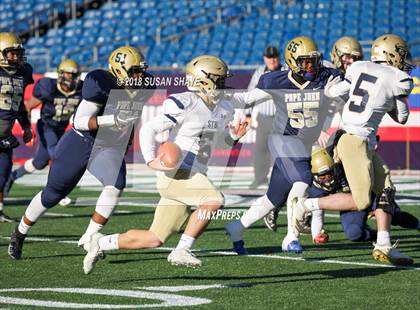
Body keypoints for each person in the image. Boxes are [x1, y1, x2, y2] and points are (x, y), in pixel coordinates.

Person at [82, 55, 249, 274]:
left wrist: (233, 137)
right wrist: (151, 159)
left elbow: (214, 143)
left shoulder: (223, 106)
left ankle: (100, 243)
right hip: (177, 172)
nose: (222, 84)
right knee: (214, 200)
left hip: (193, 174)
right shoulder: (186, 103)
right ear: (203, 81)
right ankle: (182, 250)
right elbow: (149, 129)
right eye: (218, 79)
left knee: (154, 238)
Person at [8, 46, 151, 259]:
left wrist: (128, 134)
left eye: (141, 71)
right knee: (53, 194)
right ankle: (20, 232)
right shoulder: (101, 84)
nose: (140, 76)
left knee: (116, 184)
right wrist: (112, 120)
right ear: (119, 70)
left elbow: (132, 113)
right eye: (135, 71)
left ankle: (89, 238)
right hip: (80, 141)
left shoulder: (143, 86)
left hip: (107, 145)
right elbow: (79, 122)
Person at [292, 34, 414, 265]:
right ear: (391, 53)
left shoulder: (358, 67)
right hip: (355, 141)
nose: (404, 59)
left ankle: (384, 245)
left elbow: (333, 92)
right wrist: (392, 97)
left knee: (386, 190)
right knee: (361, 201)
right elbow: (402, 117)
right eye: (401, 53)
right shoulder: (397, 78)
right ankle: (306, 204)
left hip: (352, 138)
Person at [224, 36, 342, 255]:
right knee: (303, 179)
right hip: (282, 139)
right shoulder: (275, 80)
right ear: (291, 61)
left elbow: (348, 90)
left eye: (313, 61)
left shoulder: (327, 77)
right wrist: (226, 103)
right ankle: (290, 237)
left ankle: (236, 228)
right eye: (304, 61)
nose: (310, 66)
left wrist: (335, 93)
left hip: (305, 142)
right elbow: (245, 99)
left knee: (274, 198)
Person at [264, 36, 364, 231]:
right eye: (347, 57)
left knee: (327, 174)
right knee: (307, 172)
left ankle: (321, 214)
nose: (351, 62)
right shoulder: (321, 70)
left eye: (356, 58)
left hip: (338, 129)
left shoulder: (358, 74)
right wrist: (323, 129)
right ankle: (277, 204)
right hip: (308, 128)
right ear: (337, 56)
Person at [4, 59, 83, 207]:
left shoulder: (81, 91)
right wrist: (26, 127)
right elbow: (28, 106)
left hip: (61, 128)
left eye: (74, 75)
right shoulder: (49, 87)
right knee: (56, 154)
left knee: (39, 163)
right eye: (67, 74)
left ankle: (13, 176)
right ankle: (58, 192)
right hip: (46, 126)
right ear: (60, 74)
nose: (70, 78)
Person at [306, 147, 420, 242]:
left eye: (329, 174)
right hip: (351, 205)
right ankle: (377, 235)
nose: (327, 179)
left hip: (371, 193)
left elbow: (373, 179)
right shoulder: (316, 187)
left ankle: (417, 225)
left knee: (393, 216)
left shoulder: (347, 166)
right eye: (322, 177)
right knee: (354, 234)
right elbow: (317, 212)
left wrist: (377, 206)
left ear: (334, 167)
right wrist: (316, 235)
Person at [0, 32, 34, 222]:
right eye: (11, 53)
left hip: (4, 134)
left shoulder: (24, 71)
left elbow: (19, 103)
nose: (16, 57)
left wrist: (26, 127)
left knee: (3, 174)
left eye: (17, 53)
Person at [248, 46, 280, 189]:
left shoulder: (285, 71)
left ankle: (282, 180)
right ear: (264, 58)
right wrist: (248, 114)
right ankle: (260, 178)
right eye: (269, 57)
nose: (272, 60)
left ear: (278, 57)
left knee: (282, 150)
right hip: (264, 117)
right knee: (261, 149)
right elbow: (250, 94)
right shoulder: (259, 72)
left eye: (274, 57)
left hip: (280, 117)